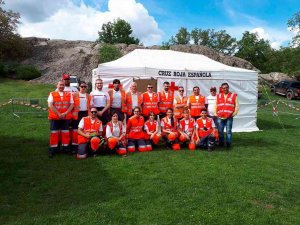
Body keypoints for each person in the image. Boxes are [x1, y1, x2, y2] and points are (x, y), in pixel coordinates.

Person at [47, 81, 74, 157]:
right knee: (54, 134)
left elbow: (72, 104)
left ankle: (66, 149)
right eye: (60, 85)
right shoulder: (52, 94)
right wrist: (58, 114)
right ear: (57, 85)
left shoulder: (69, 94)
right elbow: (50, 105)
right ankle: (53, 150)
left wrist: (65, 113)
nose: (62, 86)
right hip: (55, 117)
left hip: (65, 117)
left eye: (63, 85)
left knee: (65, 134)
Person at [214, 82, 239, 148]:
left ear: (228, 88)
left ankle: (228, 144)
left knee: (228, 131)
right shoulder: (218, 96)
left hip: (229, 117)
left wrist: (233, 114)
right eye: (223, 88)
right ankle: (221, 143)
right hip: (220, 117)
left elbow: (237, 106)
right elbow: (215, 105)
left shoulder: (233, 95)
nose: (225, 89)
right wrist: (215, 114)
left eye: (226, 87)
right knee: (220, 131)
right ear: (221, 89)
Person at [70, 81, 90, 153]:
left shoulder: (88, 95)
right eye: (82, 86)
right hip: (77, 114)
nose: (83, 88)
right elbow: (71, 105)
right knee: (75, 130)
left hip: (85, 114)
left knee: (84, 130)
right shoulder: (74, 95)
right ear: (79, 87)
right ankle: (74, 147)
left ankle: (84, 145)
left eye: (85, 87)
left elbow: (90, 106)